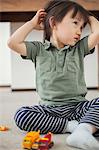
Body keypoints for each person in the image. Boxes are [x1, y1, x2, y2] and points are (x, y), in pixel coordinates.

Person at [8, 0, 99, 149]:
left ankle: (83, 130)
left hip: (78, 107)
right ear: (54, 23)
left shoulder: (79, 48)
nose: (80, 31)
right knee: (22, 115)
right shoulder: (38, 49)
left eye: (82, 26)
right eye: (75, 23)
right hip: (48, 110)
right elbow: (12, 42)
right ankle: (73, 127)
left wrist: (86, 15)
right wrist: (32, 24)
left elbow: (98, 32)